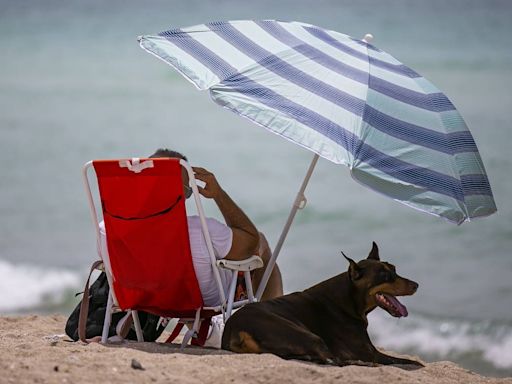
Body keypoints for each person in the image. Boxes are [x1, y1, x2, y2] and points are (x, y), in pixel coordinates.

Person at [99, 148, 283, 308]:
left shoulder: (108, 229)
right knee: (262, 242)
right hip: (200, 301)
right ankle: (272, 319)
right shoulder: (202, 230)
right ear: (183, 194)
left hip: (143, 300)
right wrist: (219, 195)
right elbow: (251, 242)